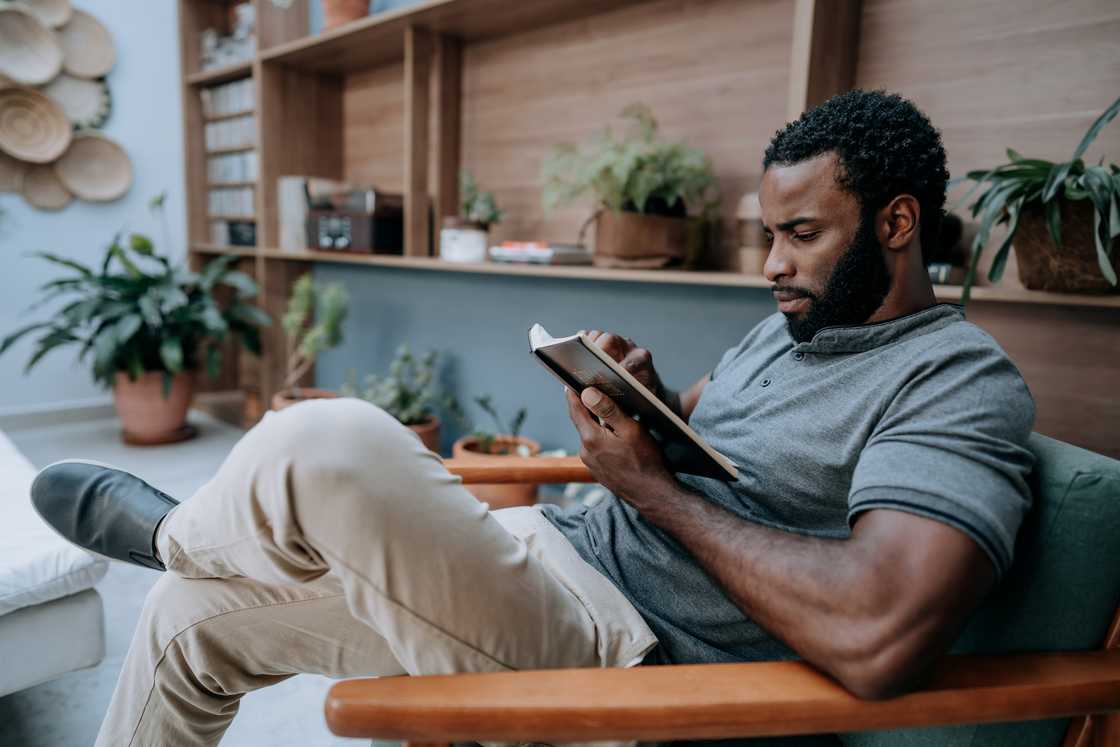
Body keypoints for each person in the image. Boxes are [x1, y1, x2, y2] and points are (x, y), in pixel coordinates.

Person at [31, 90, 1034, 747]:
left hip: (632, 653)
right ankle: (196, 554)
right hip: (557, 555)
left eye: (800, 235)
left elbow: (877, 631)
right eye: (768, 235)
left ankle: (174, 533)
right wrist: (651, 402)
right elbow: (737, 458)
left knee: (327, 439)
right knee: (181, 623)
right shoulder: (794, 326)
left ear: (896, 223)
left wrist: (650, 492)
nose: (771, 264)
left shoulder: (954, 381)